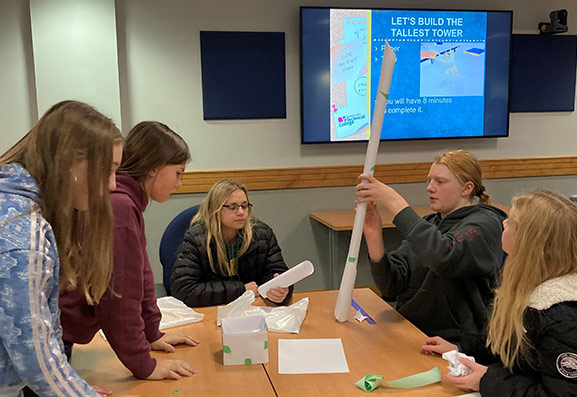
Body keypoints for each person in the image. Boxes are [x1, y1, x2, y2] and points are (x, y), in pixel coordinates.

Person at [0, 100, 123, 396]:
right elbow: (33, 354)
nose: (113, 185)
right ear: (71, 164)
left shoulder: (19, 207)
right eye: (107, 170)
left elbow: (43, 332)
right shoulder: (22, 233)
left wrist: (69, 384)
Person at [59, 121, 199, 381]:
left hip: (63, 332)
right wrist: (144, 364)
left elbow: (141, 274)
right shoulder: (120, 206)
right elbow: (118, 297)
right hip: (58, 336)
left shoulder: (127, 201)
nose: (180, 183)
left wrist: (151, 333)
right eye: (178, 172)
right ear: (154, 167)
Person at [421, 190, 577, 395]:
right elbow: (508, 343)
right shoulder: (529, 286)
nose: (503, 223)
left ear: (528, 242)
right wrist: (459, 348)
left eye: (511, 222)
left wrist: (487, 381)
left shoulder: (561, 316)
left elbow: (561, 394)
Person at [356, 150, 507, 347]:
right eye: (429, 181)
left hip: (455, 343)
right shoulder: (429, 224)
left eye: (440, 182)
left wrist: (394, 202)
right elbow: (392, 285)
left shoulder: (484, 224)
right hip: (411, 332)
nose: (430, 188)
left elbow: (443, 256)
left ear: (466, 188)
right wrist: (374, 236)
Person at [171, 179, 293, 307]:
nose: (241, 212)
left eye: (244, 206)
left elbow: (278, 272)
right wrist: (240, 290)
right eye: (233, 207)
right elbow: (183, 290)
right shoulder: (197, 239)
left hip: (255, 310)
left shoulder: (262, 234)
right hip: (212, 312)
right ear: (215, 209)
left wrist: (281, 291)